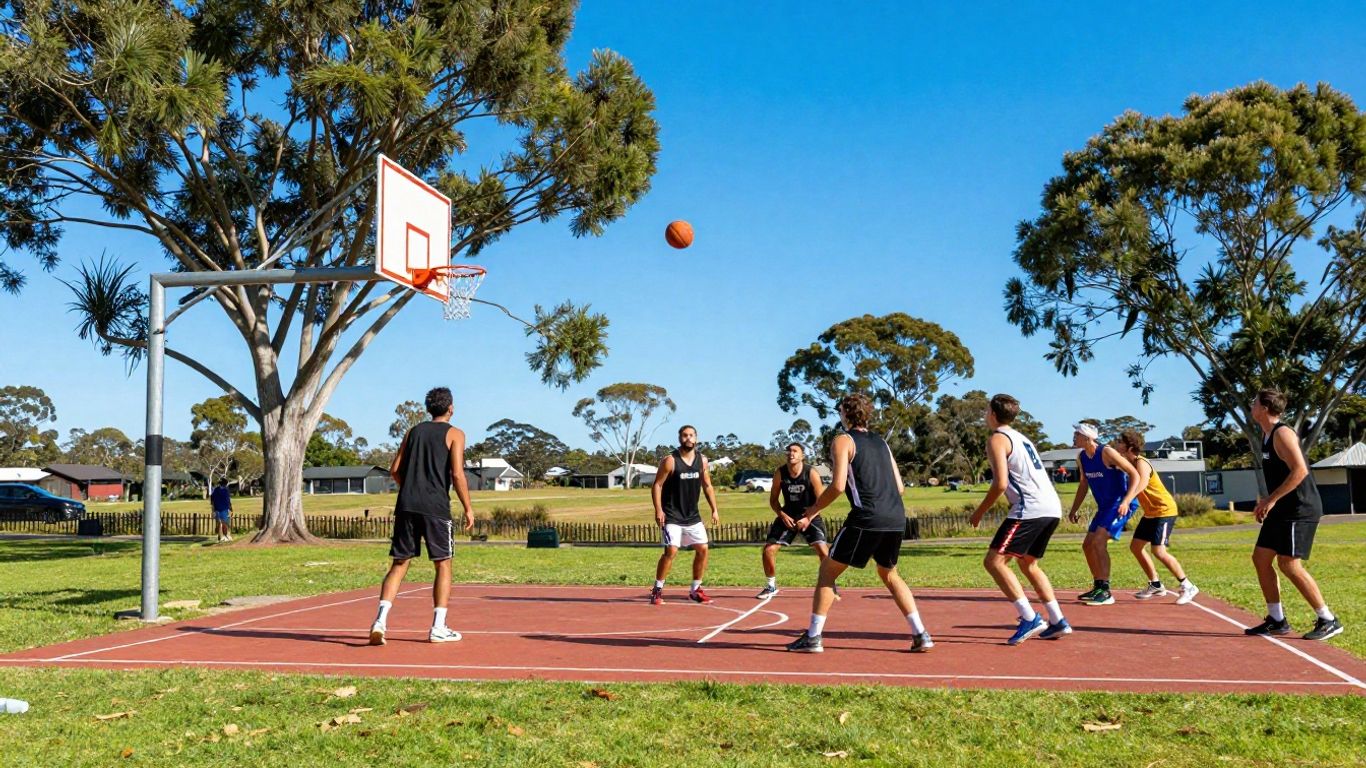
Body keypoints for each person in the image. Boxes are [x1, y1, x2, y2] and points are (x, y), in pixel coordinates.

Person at [786, 393, 931, 653]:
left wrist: (812, 511)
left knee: (827, 572)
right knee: (889, 573)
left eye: (840, 409)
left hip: (867, 517)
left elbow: (838, 485)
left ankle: (813, 638)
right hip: (896, 517)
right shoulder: (882, 443)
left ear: (844, 413)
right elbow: (900, 487)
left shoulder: (843, 440)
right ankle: (921, 634)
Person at [369, 387, 474, 645]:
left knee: (399, 564)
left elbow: (394, 470)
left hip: (406, 504)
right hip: (435, 507)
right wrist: (469, 507)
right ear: (450, 408)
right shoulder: (455, 434)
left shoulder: (412, 431)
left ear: (429, 409)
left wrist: (409, 487)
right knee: (443, 563)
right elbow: (458, 474)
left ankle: (380, 621)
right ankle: (438, 627)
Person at [970, 394, 1071, 645]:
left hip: (1030, 508)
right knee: (1029, 564)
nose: (984, 415)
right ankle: (1057, 619)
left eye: (986, 411)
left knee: (994, 562)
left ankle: (1030, 617)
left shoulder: (997, 439)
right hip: (1051, 506)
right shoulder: (1022, 438)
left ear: (993, 414)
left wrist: (979, 511)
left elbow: (1001, 483)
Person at [1245, 388, 1342, 641]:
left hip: (1300, 508)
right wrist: (1268, 502)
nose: (1251, 405)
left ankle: (1328, 619)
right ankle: (1277, 619)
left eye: (1254, 402)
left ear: (1265, 407)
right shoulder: (1266, 435)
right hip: (1282, 508)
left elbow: (1300, 471)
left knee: (1288, 563)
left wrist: (1271, 499)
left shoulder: (1282, 433)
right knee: (1261, 558)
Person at [1114, 430, 1200, 605]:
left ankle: (1187, 585)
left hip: (1164, 511)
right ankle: (1155, 584)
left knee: (1158, 551)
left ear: (1129, 446)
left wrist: (1127, 501)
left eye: (1120, 442)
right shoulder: (1129, 463)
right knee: (1136, 547)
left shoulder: (1141, 462)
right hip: (1151, 513)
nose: (1117, 444)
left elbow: (1142, 482)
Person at [1067, 422, 1141, 605]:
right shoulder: (1082, 457)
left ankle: (1106, 592)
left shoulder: (1107, 452)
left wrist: (1126, 500)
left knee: (1099, 542)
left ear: (1087, 437)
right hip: (1104, 507)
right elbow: (1084, 484)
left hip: (1120, 504)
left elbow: (1134, 474)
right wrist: (1074, 509)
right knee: (1087, 545)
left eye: (1076, 434)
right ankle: (1098, 586)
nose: (1074, 437)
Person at [650, 425, 720, 605]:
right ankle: (657, 590)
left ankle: (695, 589)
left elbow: (707, 485)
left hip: (692, 516)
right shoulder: (670, 460)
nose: (688, 438)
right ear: (679, 438)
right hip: (672, 515)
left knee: (703, 549)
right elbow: (657, 485)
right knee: (671, 550)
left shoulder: (702, 461)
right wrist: (658, 510)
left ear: (696, 438)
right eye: (684, 435)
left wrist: (714, 509)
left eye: (691, 435)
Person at [756, 443, 834, 599]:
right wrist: (782, 515)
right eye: (789, 451)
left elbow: (821, 501)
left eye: (795, 451)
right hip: (788, 516)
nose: (791, 454)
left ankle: (830, 586)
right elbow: (773, 500)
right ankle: (771, 586)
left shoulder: (811, 472)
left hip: (810, 514)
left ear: (802, 456)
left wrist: (808, 518)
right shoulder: (780, 473)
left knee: (823, 551)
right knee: (768, 550)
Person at [210, 478, 232, 542]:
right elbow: (228, 500)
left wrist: (213, 509)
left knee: (222, 523)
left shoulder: (217, 490)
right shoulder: (223, 490)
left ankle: (223, 536)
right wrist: (230, 508)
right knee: (222, 523)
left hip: (220, 509)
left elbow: (212, 500)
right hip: (222, 509)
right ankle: (222, 536)